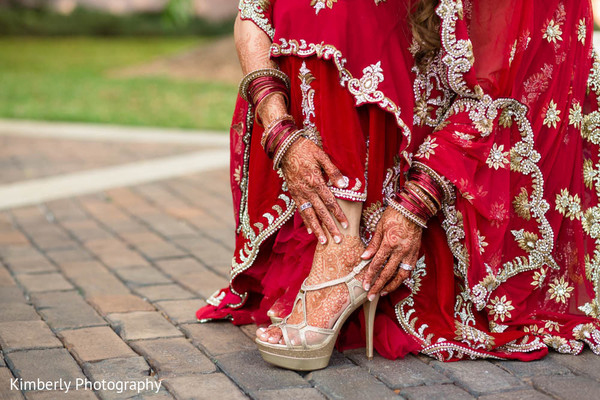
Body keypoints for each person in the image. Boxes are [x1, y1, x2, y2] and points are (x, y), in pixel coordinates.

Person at [197, 0, 600, 370]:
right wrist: (280, 130)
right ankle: (338, 248)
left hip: (473, 115)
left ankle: (338, 259)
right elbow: (253, 11)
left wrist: (415, 201)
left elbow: (497, 92)